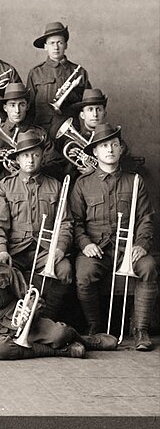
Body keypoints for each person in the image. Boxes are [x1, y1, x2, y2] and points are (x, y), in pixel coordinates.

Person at [0, 222, 117, 361]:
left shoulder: (6, 270)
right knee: (2, 351)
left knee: (60, 334)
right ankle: (63, 351)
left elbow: (31, 296)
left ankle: (85, 340)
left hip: (19, 322)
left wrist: (29, 311)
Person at [69, 124, 156, 350]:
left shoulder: (135, 181)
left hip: (128, 249)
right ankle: (94, 327)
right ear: (95, 152)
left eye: (114, 145)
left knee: (148, 267)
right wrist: (85, 244)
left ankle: (140, 329)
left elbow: (145, 218)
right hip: (96, 249)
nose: (109, 149)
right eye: (104, 146)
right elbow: (75, 222)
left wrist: (141, 244)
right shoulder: (83, 184)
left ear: (120, 149)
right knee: (83, 275)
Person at [0, 131, 73, 321]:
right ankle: (14, 320)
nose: (30, 159)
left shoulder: (55, 186)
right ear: (17, 158)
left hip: (45, 250)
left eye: (35, 154)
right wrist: (2, 250)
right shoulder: (5, 186)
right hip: (16, 251)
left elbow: (66, 222)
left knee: (65, 270)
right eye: (25, 155)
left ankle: (47, 319)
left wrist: (60, 247)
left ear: (42, 157)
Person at [0, 83, 63, 183]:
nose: (17, 110)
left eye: (22, 105)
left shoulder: (39, 134)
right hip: (3, 190)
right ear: (5, 108)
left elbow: (56, 166)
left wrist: (32, 166)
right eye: (12, 105)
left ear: (27, 107)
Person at [26, 22, 91, 138]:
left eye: (60, 43)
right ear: (45, 46)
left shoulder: (79, 71)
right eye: (52, 43)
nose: (56, 47)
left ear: (66, 45)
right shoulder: (35, 73)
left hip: (70, 128)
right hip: (43, 129)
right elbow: (29, 107)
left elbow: (87, 106)